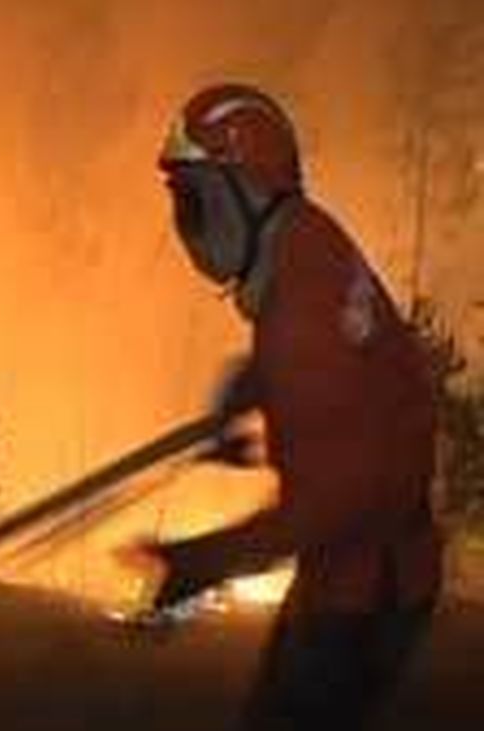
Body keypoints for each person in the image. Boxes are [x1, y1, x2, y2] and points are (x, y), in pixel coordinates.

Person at [137, 83, 441, 730]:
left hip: (367, 590)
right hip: (355, 570)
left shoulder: (302, 313)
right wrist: (244, 393)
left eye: (195, 202)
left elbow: (326, 508)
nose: (187, 225)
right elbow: (334, 372)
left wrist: (204, 562)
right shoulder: (307, 242)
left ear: (242, 193)